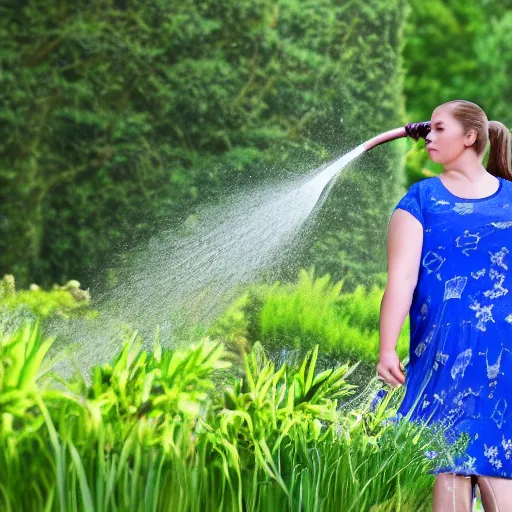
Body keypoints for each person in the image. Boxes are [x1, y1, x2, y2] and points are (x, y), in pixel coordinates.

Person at [377, 99, 512, 511]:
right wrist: (386, 346)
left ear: (470, 137)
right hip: (441, 355)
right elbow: (401, 277)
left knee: (497, 463)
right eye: (429, 129)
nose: (429, 138)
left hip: (503, 357)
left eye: (440, 129)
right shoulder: (421, 199)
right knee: (450, 462)